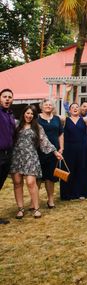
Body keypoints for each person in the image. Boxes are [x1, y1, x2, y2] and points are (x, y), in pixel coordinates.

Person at [10, 105, 63, 218]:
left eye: (32, 114)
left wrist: (55, 152)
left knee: (31, 182)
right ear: (23, 113)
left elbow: (45, 141)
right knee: (18, 183)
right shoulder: (15, 125)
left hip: (31, 157)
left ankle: (36, 208)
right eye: (27, 113)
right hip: (16, 157)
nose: (29, 115)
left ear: (34, 116)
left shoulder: (37, 127)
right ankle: (20, 209)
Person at [60, 102, 87, 201]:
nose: (75, 109)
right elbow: (54, 114)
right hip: (69, 149)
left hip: (82, 149)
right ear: (69, 110)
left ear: (79, 110)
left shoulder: (84, 120)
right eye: (73, 107)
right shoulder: (65, 120)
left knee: (82, 170)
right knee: (69, 170)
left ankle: (82, 192)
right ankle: (69, 194)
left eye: (77, 107)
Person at [37, 99, 64, 209]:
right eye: (46, 105)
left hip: (54, 153)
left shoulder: (57, 119)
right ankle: (35, 201)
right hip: (39, 151)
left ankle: (50, 199)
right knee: (38, 177)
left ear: (53, 107)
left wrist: (62, 147)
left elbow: (60, 134)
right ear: (41, 107)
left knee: (51, 177)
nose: (48, 106)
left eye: (50, 105)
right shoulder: (36, 118)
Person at [0, 89, 16, 224]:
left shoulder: (10, 114)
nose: (7, 99)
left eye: (9, 97)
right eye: (4, 96)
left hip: (7, 155)